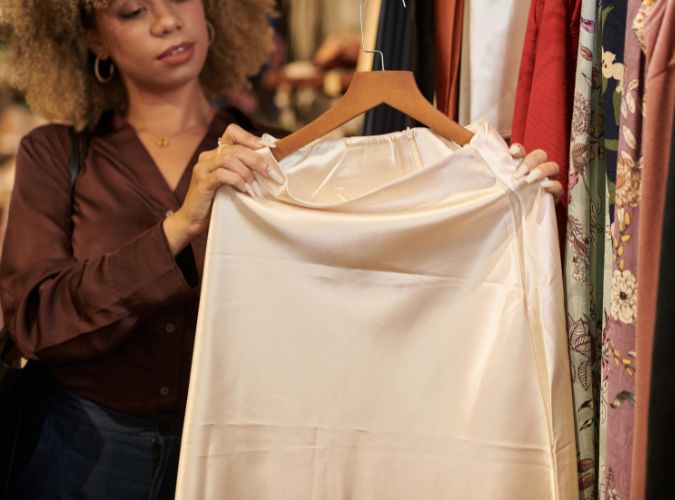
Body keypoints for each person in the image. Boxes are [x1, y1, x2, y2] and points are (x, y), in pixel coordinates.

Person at [0, 0, 563, 498]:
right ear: (92, 36)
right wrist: (177, 229)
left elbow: (375, 275)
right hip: (76, 452)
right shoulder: (56, 155)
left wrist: (508, 201)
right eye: (132, 11)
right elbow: (35, 319)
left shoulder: (281, 161)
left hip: (238, 455)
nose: (168, 20)